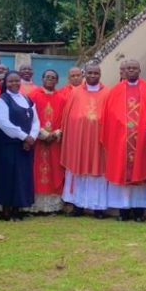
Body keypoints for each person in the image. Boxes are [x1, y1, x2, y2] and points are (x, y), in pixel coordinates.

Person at [101, 59, 146, 221]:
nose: (131, 71)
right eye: (128, 68)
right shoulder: (115, 91)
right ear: (124, 71)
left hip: (143, 141)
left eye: (135, 68)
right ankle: (123, 211)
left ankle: (139, 212)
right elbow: (109, 116)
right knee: (122, 174)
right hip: (120, 142)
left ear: (140, 71)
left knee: (141, 173)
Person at [60, 63, 110, 217]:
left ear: (100, 74)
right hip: (79, 140)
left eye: (96, 73)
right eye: (90, 73)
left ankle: (98, 208)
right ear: (84, 74)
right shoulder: (75, 93)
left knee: (98, 172)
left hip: (99, 141)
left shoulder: (108, 93)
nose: (93, 76)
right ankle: (78, 206)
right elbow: (69, 117)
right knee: (78, 171)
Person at [0, 70, 40, 220]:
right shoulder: (2, 100)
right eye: (10, 81)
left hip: (25, 146)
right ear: (5, 83)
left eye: (17, 81)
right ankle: (6, 211)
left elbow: (36, 121)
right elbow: (4, 124)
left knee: (22, 177)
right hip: (8, 145)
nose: (14, 83)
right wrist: (25, 137)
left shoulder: (27, 99)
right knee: (8, 177)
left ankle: (17, 209)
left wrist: (32, 137)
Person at [30, 70, 65, 214]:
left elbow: (65, 118)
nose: (50, 79)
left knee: (54, 171)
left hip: (55, 142)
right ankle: (36, 205)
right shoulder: (33, 95)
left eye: (53, 77)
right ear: (42, 78)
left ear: (57, 81)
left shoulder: (62, 98)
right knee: (36, 171)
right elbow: (28, 116)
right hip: (37, 140)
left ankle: (52, 206)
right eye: (47, 77)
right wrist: (41, 133)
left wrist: (56, 132)